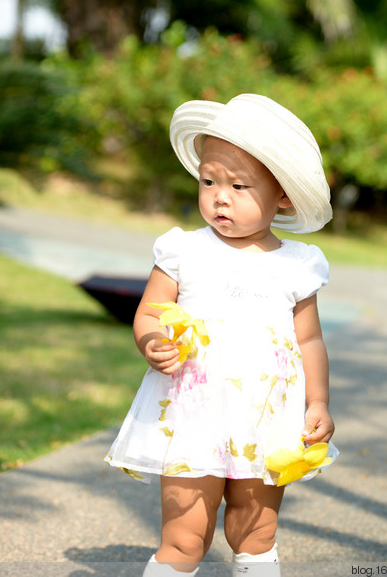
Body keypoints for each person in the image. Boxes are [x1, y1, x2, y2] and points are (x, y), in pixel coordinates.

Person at [105, 94, 339, 576]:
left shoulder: (297, 265)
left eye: (238, 185)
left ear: (283, 196)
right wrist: (152, 341)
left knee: (255, 533)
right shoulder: (183, 251)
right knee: (185, 535)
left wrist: (317, 402)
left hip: (266, 417)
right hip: (193, 418)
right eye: (209, 181)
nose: (219, 196)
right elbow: (150, 312)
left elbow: (309, 341)